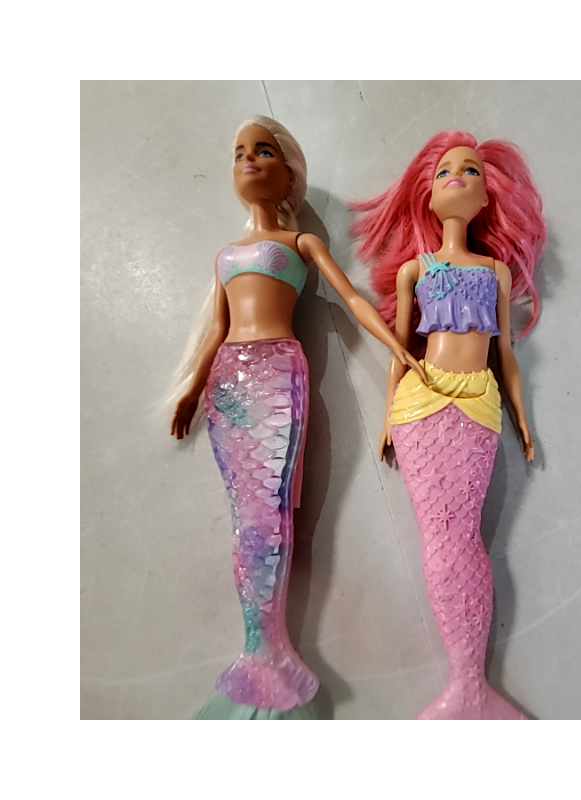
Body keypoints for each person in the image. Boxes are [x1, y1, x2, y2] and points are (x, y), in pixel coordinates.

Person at [169, 116, 424, 719]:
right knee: (246, 520)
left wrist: (397, 345)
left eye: (263, 151)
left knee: (275, 512)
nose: (248, 160)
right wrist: (192, 388)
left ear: (289, 174)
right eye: (239, 153)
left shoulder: (301, 244)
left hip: (279, 374)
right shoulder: (225, 257)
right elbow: (218, 329)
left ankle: (274, 649)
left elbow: (352, 298)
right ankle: (258, 649)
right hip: (228, 382)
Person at [350, 130, 546, 719]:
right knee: (441, 537)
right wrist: (387, 415)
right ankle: (467, 686)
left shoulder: (496, 272)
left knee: (463, 537)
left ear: (486, 198)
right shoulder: (416, 269)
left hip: (479, 402)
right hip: (422, 402)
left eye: (471, 171)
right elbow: (399, 349)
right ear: (428, 197)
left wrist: (522, 415)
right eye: (443, 172)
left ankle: (471, 688)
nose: (456, 176)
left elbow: (504, 353)